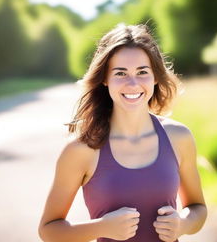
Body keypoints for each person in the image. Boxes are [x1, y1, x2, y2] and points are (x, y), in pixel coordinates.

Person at [38, 23, 207, 242]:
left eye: (142, 72)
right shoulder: (81, 149)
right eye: (121, 73)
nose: (133, 83)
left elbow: (198, 208)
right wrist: (101, 228)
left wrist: (183, 224)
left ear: (155, 77)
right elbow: (48, 230)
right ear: (105, 79)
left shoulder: (178, 137)